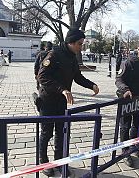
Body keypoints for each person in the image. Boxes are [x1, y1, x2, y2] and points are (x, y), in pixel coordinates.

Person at [37, 28, 99, 176]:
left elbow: (77, 76)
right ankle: (44, 162)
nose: (81, 47)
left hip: (62, 101)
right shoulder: (54, 54)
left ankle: (59, 162)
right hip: (48, 100)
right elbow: (42, 77)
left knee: (61, 133)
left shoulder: (72, 57)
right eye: (79, 43)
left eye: (82, 44)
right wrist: (62, 89)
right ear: (70, 42)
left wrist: (91, 85)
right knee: (46, 133)